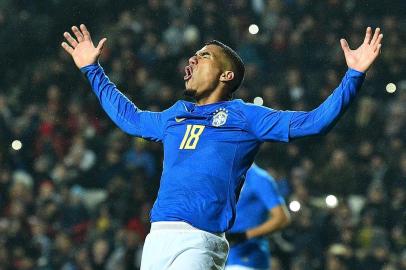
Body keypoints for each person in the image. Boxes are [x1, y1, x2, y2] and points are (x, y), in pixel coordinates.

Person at [61, 24, 382, 270]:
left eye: (204, 55)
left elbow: (314, 123)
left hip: (199, 241)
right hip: (157, 238)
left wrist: (353, 75)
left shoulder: (246, 117)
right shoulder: (176, 115)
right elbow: (130, 119)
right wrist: (92, 70)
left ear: (226, 74)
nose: (193, 59)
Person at [225, 163, 290, 270]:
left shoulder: (259, 178)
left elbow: (282, 218)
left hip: (249, 259)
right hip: (228, 257)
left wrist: (244, 236)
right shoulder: (231, 176)